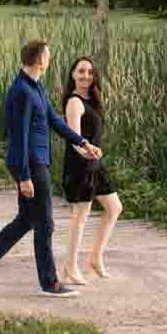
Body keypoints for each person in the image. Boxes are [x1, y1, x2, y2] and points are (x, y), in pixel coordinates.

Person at [0, 39, 103, 298]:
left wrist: (83, 142)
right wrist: (24, 177)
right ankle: (50, 283)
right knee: (46, 223)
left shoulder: (36, 87)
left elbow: (54, 119)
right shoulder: (21, 91)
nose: (50, 60)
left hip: (36, 161)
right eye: (48, 56)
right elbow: (18, 137)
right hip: (30, 163)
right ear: (40, 61)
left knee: (27, 219)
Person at [58, 54, 123, 285]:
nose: (85, 75)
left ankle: (95, 257)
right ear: (73, 75)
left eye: (89, 72)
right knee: (81, 216)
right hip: (80, 166)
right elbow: (75, 139)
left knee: (114, 208)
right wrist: (89, 151)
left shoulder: (93, 100)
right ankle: (70, 266)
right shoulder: (74, 102)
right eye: (81, 71)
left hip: (95, 164)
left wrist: (94, 154)